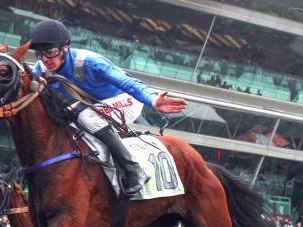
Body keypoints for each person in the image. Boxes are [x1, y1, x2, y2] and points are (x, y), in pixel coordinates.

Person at [30, 19, 187, 197]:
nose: (45, 59)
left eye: (51, 52)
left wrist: (152, 100)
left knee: (85, 115)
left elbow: (128, 82)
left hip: (125, 100)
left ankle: (134, 169)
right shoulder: (41, 68)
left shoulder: (90, 61)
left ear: (65, 47)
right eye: (40, 54)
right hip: (92, 105)